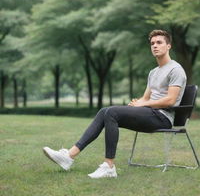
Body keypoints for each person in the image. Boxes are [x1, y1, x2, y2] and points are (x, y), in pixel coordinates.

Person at [43, 29, 187, 179]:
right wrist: (138, 102)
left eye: (159, 42)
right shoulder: (154, 72)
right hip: (150, 113)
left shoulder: (175, 69)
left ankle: (109, 167)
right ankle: (69, 156)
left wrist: (144, 104)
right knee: (105, 111)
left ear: (168, 46)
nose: (155, 46)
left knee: (112, 112)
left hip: (162, 118)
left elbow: (170, 100)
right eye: (152, 43)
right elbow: (146, 98)